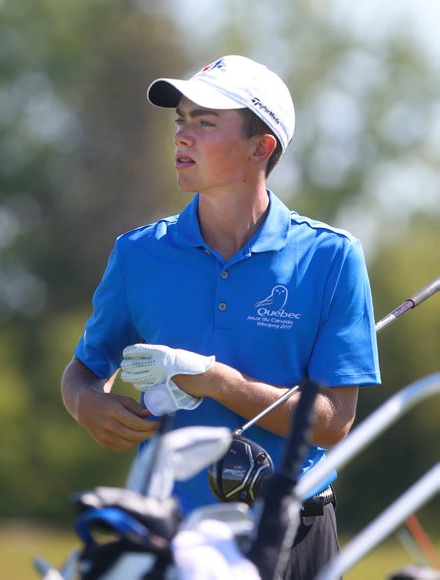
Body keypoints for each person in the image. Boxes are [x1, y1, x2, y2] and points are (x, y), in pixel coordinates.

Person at [61, 55, 381, 578]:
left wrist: (217, 382)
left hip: (295, 526)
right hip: (175, 528)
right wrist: (84, 403)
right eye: (181, 120)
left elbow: (333, 422)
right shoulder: (139, 253)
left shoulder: (331, 257)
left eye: (206, 122)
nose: (182, 136)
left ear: (262, 147)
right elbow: (85, 367)